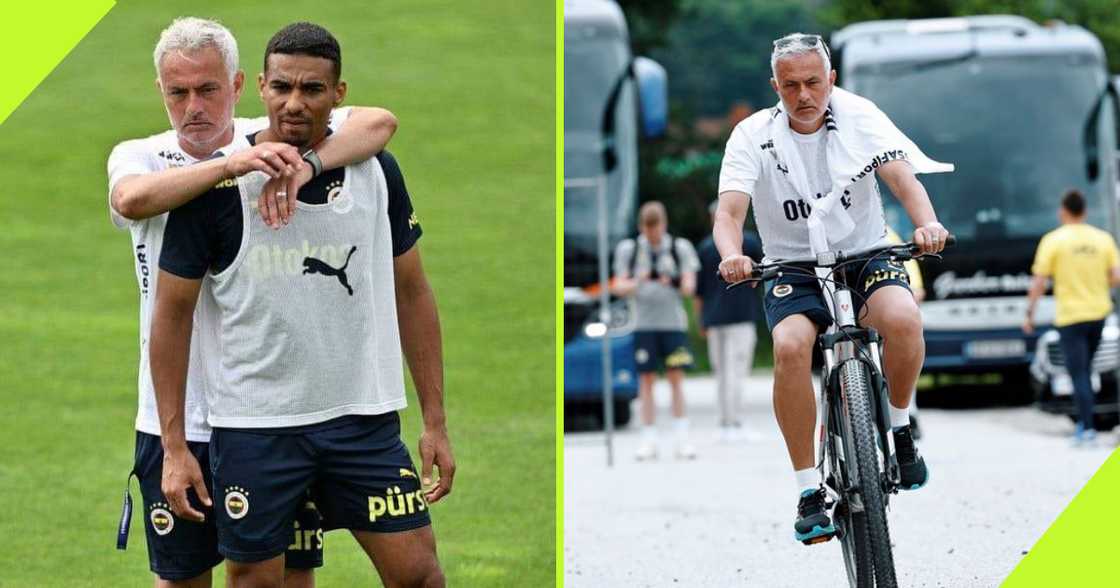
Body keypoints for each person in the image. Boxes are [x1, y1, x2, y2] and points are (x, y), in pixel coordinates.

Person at [149, 23, 452, 588]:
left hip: (362, 420)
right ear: (259, 87)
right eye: (282, 86)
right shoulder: (215, 186)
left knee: (419, 574)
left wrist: (435, 420)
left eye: (312, 89)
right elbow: (170, 317)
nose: (294, 102)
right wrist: (173, 446)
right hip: (257, 428)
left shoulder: (377, 172)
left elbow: (413, 291)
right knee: (257, 584)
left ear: (339, 95)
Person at [713, 32, 949, 544]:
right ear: (775, 85)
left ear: (832, 80)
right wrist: (733, 255)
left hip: (864, 254)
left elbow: (905, 182)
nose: (803, 95)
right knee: (791, 347)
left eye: (813, 83)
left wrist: (926, 225)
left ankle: (901, 428)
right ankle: (806, 489)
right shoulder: (751, 135)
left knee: (905, 320)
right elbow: (729, 211)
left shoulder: (861, 116)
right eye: (791, 85)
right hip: (792, 265)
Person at [1024, 189, 1120, 446]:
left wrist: (1029, 314)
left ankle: (1087, 429)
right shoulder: (1103, 239)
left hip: (1071, 316)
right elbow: (1116, 276)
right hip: (1099, 312)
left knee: (1078, 373)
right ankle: (1087, 424)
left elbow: (1039, 282)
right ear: (1085, 211)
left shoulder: (1053, 240)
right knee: (1087, 369)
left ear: (1063, 211)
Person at [612, 201, 701, 460]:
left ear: (664, 224)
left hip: (672, 324)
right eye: (648, 230)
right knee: (646, 381)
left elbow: (689, 287)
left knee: (676, 379)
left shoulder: (678, 248)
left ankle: (682, 438)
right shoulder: (630, 250)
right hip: (643, 325)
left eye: (657, 229)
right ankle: (648, 438)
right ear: (641, 227)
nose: (653, 235)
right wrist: (639, 280)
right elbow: (618, 285)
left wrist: (670, 279)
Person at [694, 200, 763, 442]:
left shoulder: (704, 247)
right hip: (742, 315)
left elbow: (698, 290)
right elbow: (760, 276)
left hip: (714, 317)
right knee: (737, 370)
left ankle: (725, 421)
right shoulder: (750, 242)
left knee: (722, 372)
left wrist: (700, 319)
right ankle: (734, 421)